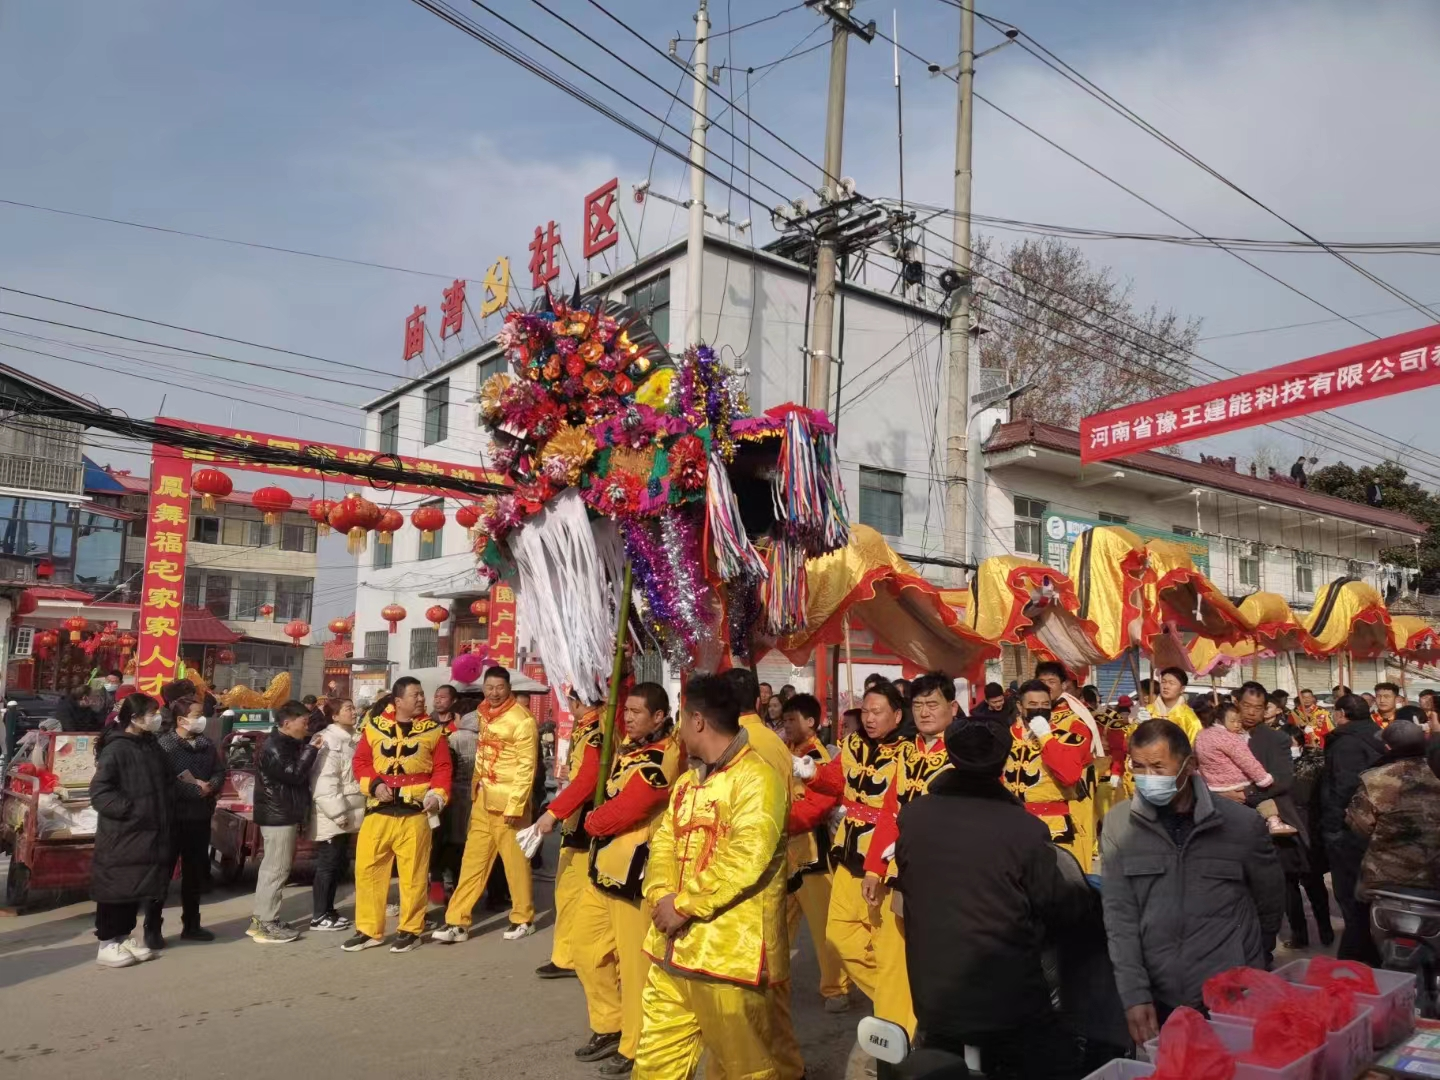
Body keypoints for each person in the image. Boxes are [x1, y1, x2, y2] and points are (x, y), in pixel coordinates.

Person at [898, 717, 1095, 1079]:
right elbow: (1060, 907)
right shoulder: (1024, 828)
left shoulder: (913, 817)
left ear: (951, 758)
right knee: (1063, 1058)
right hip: (1007, 1005)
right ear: (1005, 762)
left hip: (933, 1000)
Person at [632, 674, 790, 1080]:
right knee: (654, 1064)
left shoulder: (758, 777)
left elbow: (746, 859)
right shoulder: (688, 781)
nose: (680, 729)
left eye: (683, 719)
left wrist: (683, 906)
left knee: (745, 1070)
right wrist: (662, 896)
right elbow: (664, 842)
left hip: (729, 959)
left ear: (698, 721)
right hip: (672, 949)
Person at [1102, 719, 1284, 1046]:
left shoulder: (1240, 824)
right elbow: (1120, 917)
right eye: (1139, 767)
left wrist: (1255, 963)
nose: (1148, 778)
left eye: (1158, 767)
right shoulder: (1119, 824)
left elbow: (1269, 902)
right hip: (1161, 994)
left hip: (1232, 990)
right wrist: (1134, 992)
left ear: (1190, 765)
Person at [571, 682, 683, 1078]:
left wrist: (591, 821)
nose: (629, 718)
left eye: (637, 713)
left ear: (658, 716)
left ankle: (635, 1043)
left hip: (635, 873)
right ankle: (608, 1023)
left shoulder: (668, 753)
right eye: (627, 711)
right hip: (603, 870)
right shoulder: (627, 746)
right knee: (584, 949)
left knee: (635, 968)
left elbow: (637, 804)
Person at [795, 680, 908, 1027]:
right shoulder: (853, 743)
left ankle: (900, 1019)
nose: (869, 719)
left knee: (887, 947)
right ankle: (900, 1001)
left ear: (897, 714)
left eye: (877, 712)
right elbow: (836, 780)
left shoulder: (909, 751)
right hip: (846, 852)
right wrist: (813, 774)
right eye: (865, 711)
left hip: (883, 858)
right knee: (839, 937)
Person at [720, 667, 802, 1079]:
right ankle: (786, 1064)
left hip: (748, 873)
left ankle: (775, 1066)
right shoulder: (772, 740)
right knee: (768, 980)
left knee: (756, 981)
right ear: (757, 700)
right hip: (769, 867)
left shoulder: (737, 744)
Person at [346, 676, 452, 953]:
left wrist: (437, 795)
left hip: (415, 814)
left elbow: (442, 767)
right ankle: (368, 929)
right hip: (378, 812)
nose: (420, 699)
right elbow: (361, 762)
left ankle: (411, 929)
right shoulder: (374, 727)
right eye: (415, 695)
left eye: (421, 694)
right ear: (398, 700)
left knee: (414, 874)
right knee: (368, 870)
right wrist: (375, 784)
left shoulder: (433, 731)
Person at [434, 666, 538, 943]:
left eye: (499, 688)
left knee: (515, 864)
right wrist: (475, 789)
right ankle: (457, 921)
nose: (493, 693)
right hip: (483, 799)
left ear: (508, 689)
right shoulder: (482, 714)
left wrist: (516, 806)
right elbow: (482, 755)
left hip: (509, 804)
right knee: (472, 862)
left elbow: (527, 767)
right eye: (489, 687)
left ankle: (523, 917)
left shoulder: (522, 720)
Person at [89, 693, 173, 968]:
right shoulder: (117, 749)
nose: (157, 718)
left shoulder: (149, 745)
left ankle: (123, 937)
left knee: (133, 888)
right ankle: (106, 943)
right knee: (115, 888)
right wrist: (132, 811)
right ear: (134, 718)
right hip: (123, 832)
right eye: (151, 713)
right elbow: (100, 793)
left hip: (146, 832)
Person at [780, 692, 851, 1015]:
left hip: (811, 854)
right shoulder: (784, 752)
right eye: (785, 719)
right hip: (785, 855)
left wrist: (777, 822)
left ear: (811, 722)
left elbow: (816, 808)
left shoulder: (818, 758)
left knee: (824, 926)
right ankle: (774, 982)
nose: (787, 725)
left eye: (793, 719)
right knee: (778, 923)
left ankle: (836, 987)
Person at [533, 691, 607, 980]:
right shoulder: (589, 727)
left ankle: (573, 957)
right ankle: (569, 955)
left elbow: (588, 780)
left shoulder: (596, 732)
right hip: (577, 816)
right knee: (569, 891)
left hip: (585, 818)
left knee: (574, 892)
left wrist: (554, 812)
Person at [144, 696, 223, 946]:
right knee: (162, 874)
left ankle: (192, 924)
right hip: (172, 817)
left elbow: (220, 770)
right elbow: (163, 781)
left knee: (195, 874)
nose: (201, 719)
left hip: (199, 817)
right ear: (181, 719)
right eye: (197, 714)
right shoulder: (164, 746)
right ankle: (152, 928)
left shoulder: (207, 744)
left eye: (202, 714)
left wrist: (212, 786)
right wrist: (193, 791)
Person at [1004, 676, 1098, 872]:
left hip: (1053, 831)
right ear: (1020, 707)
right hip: (1013, 827)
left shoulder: (1067, 737)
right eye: (1032, 704)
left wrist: (1046, 737)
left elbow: (1069, 775)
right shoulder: (1004, 737)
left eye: (1045, 704)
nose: (1039, 708)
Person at [1318, 693, 1385, 964]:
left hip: (1348, 827)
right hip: (1374, 824)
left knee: (1350, 892)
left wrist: (1332, 828)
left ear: (1342, 714)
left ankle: (1360, 952)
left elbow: (1343, 788)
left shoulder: (1345, 743)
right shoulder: (1378, 736)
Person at [248, 700, 320, 944]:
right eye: (303, 722)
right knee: (276, 869)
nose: (306, 727)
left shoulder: (286, 743)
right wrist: (312, 750)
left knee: (276, 868)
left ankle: (265, 919)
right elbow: (294, 775)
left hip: (282, 813)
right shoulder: (275, 747)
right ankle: (265, 923)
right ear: (287, 723)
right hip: (277, 815)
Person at [1347, 718, 1440, 899]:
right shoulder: (1436, 773)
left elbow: (1359, 827)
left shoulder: (1374, 780)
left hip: (1386, 880)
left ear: (1388, 748)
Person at [1194, 701, 1295, 835]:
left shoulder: (1202, 735)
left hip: (1212, 784)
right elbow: (1246, 761)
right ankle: (1273, 820)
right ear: (1220, 720)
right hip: (1235, 781)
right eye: (1233, 721)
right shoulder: (1229, 738)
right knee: (1265, 798)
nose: (1237, 725)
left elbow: (1197, 759)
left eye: (1239, 721)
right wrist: (1263, 778)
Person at [309, 697, 364, 932]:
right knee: (328, 865)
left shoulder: (353, 738)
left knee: (339, 864)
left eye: (353, 708)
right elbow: (324, 782)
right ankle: (319, 915)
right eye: (348, 709)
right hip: (332, 814)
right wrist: (337, 812)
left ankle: (329, 910)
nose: (354, 712)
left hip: (347, 812)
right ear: (334, 716)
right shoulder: (329, 741)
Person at [1283, 725, 1334, 950]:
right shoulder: (1270, 765)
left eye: (1290, 744)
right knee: (1288, 886)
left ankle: (1326, 931)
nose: (1287, 749)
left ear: (1300, 743)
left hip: (1308, 828)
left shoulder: (1315, 764)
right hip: (1282, 832)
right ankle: (1299, 935)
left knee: (1313, 883)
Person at [1144, 667, 1202, 743]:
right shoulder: (1148, 711)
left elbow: (1192, 749)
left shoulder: (1189, 719)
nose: (1166, 687)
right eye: (1163, 682)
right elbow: (1132, 742)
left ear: (1182, 689)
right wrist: (1136, 724)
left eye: (1171, 683)